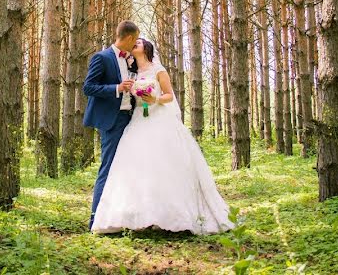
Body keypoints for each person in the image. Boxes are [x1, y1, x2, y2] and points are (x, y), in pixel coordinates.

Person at [90, 38, 234, 235]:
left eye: (139, 43)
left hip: (159, 119)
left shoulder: (158, 69)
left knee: (163, 166)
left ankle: (172, 216)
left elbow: (169, 96)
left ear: (147, 49)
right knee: (136, 167)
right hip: (138, 120)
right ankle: (139, 216)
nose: (135, 44)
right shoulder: (131, 73)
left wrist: (154, 99)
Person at [83, 20, 140, 230]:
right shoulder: (102, 57)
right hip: (111, 121)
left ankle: (120, 218)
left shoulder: (130, 61)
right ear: (129, 37)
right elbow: (88, 87)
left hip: (130, 120)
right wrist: (116, 87)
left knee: (126, 169)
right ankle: (95, 220)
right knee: (108, 168)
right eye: (135, 40)